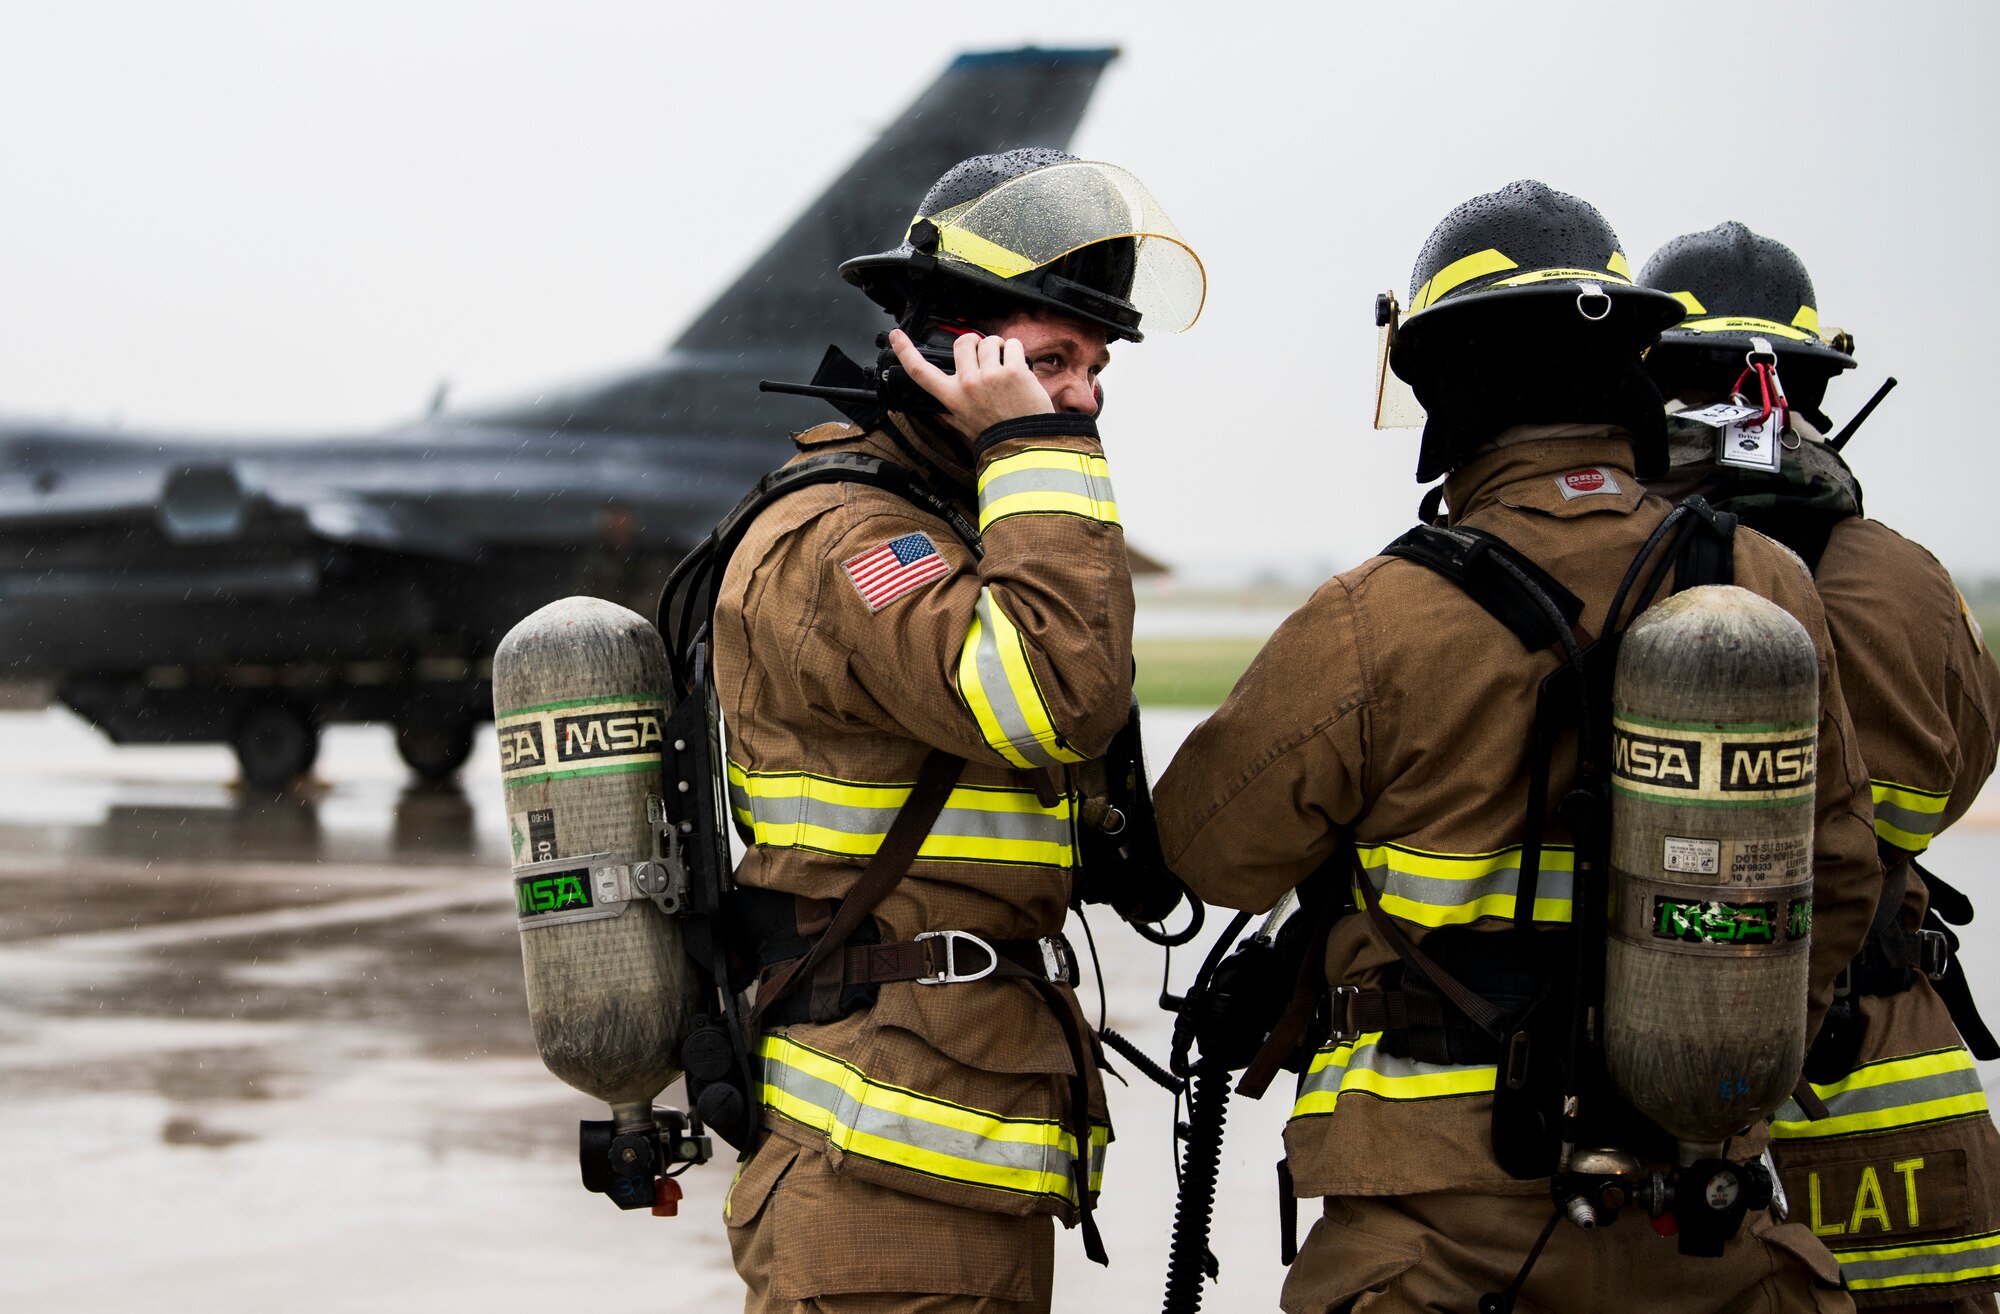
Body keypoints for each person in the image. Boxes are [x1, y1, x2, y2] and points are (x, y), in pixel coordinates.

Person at [1153, 180, 1881, 1313]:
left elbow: (1204, 851)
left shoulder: (1373, 615)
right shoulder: (1761, 580)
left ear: (1447, 381)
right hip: (1703, 1215)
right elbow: (1833, 874)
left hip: (1437, 1233)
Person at [711, 148, 1203, 1313]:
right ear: (943, 355)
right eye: (1046, 363)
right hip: (879, 1183)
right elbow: (1045, 696)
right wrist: (1035, 452)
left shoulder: (958, 526)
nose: (1078, 395)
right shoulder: (853, 541)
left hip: (939, 1156)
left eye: (1088, 369)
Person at [1641, 221, 2000, 1313]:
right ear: (1816, 390)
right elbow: (1963, 763)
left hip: (1675, 1071)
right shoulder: (1909, 578)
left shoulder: (1624, 567)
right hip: (1896, 1072)